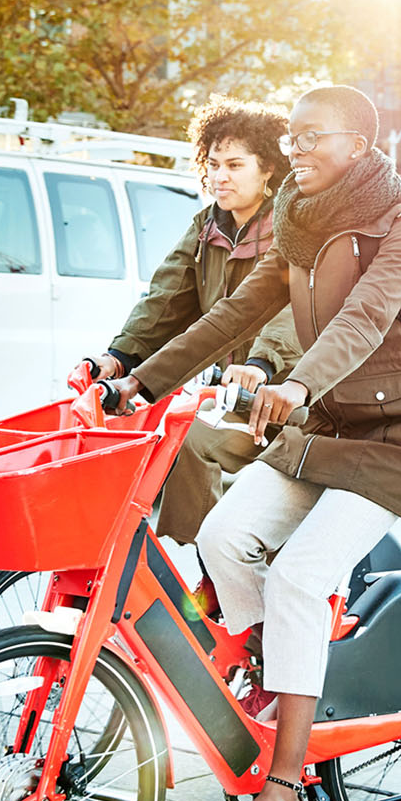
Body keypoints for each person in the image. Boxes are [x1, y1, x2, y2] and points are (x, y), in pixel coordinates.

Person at [111, 84, 401, 801]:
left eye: (311, 138)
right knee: (225, 536)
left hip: (399, 440)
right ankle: (282, 684)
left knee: (300, 576)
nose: (295, 149)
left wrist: (296, 381)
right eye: (291, 137)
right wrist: (140, 376)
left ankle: (285, 789)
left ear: (359, 147)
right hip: (324, 428)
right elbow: (233, 314)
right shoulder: (298, 219)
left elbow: (366, 316)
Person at [75, 97, 300, 546]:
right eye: (213, 164)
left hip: (290, 390)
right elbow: (164, 301)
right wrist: (118, 359)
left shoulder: (291, 226)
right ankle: (193, 569)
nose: (220, 176)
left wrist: (261, 364)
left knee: (196, 440)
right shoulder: (206, 228)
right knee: (174, 438)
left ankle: (201, 572)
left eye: (235, 165)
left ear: (269, 169)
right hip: (233, 393)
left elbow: (293, 310)